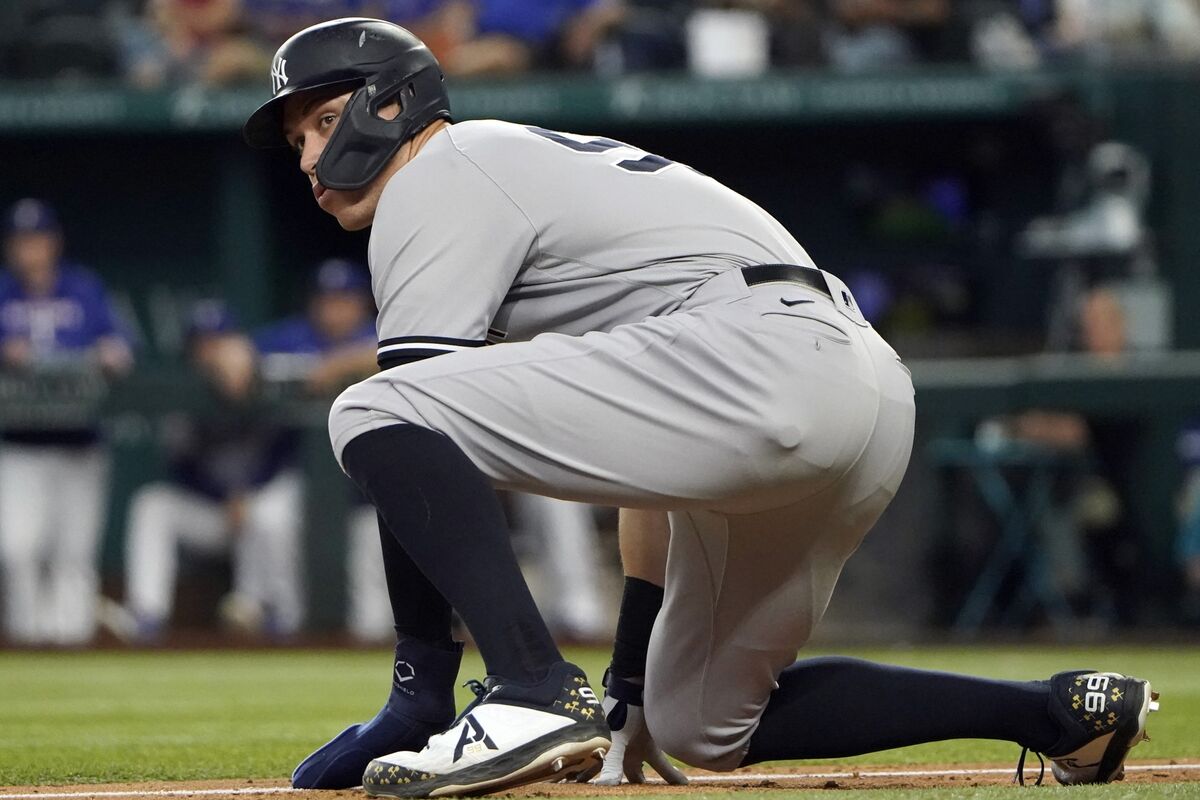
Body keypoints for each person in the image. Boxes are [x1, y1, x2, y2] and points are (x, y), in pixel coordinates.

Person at [242, 18, 1158, 796]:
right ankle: (1058, 713)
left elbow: (411, 412)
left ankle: (527, 684)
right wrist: (633, 681)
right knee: (704, 720)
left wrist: (419, 694)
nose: (313, 157)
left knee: (373, 406)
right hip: (857, 388)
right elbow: (646, 459)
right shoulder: (509, 170)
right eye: (297, 144)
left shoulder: (440, 169)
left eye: (326, 121)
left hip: (765, 355)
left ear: (392, 104)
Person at [122, 300, 303, 641]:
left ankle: (276, 613)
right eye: (201, 344)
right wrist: (226, 496)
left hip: (260, 499)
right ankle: (147, 615)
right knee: (153, 505)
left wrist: (248, 489)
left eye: (217, 342)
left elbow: (285, 449)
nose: (210, 352)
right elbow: (182, 465)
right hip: (215, 509)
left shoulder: (267, 378)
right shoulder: (184, 395)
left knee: (272, 512)